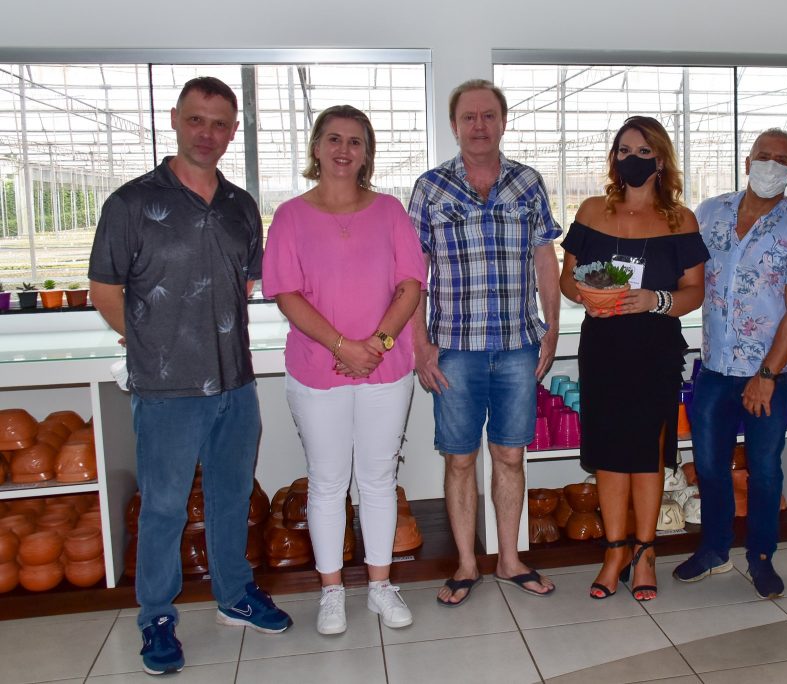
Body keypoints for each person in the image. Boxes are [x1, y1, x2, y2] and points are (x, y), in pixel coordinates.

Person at [88, 76, 292, 676]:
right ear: (175, 119)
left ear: (234, 131)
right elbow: (104, 289)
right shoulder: (130, 203)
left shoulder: (240, 206)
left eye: (220, 123)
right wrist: (147, 341)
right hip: (167, 388)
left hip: (235, 382)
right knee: (164, 507)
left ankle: (235, 595)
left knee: (232, 496)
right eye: (197, 119)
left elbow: (245, 283)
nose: (208, 133)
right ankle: (156, 616)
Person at [262, 105, 427, 634]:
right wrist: (342, 346)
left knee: (378, 479)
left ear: (366, 154)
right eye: (334, 139)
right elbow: (286, 294)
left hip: (386, 367)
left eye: (355, 141)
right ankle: (331, 591)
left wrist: (376, 344)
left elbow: (411, 284)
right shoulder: (290, 216)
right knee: (328, 482)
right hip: (317, 369)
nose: (343, 150)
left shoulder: (390, 212)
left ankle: (380, 586)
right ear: (316, 147)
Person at [408, 79, 561, 606]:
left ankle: (510, 559)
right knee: (459, 459)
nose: (479, 125)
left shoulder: (528, 183)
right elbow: (413, 274)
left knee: (510, 456)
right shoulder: (431, 188)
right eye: (469, 117)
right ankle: (467, 564)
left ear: (503, 122)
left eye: (489, 115)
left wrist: (552, 326)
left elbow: (545, 258)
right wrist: (419, 344)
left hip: (518, 346)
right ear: (454, 125)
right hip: (453, 349)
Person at [559, 116, 707, 601]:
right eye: (624, 150)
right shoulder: (591, 211)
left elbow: (695, 291)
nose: (633, 159)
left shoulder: (680, 220)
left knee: (646, 452)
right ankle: (614, 551)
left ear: (660, 160)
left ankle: (645, 552)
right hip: (602, 347)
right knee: (607, 454)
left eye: (644, 152)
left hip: (654, 350)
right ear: (614, 158)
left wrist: (654, 300)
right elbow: (567, 280)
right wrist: (589, 294)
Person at [672, 128, 787, 599]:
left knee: (764, 468)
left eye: (781, 160)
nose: (770, 165)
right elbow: (684, 274)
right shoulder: (709, 213)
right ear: (747, 162)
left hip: (769, 374)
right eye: (763, 155)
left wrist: (766, 376)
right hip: (715, 369)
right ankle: (714, 549)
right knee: (710, 464)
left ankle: (761, 556)